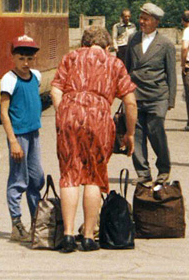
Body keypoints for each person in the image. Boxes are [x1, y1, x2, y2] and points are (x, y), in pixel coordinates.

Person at [51, 25, 137, 253]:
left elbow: (56, 90)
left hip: (69, 114)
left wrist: (65, 114)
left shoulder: (71, 57)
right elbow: (130, 102)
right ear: (107, 46)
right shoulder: (114, 63)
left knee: (69, 175)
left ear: (83, 44)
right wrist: (130, 133)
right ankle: (89, 237)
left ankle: (68, 235)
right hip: (99, 118)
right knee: (94, 177)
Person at [0, 35, 46, 242]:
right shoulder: (9, 79)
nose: (25, 63)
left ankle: (37, 221)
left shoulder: (36, 76)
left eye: (29, 59)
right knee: (18, 179)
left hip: (34, 133)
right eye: (21, 59)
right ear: (13, 57)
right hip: (19, 135)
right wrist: (13, 141)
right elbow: (3, 112)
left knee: (37, 178)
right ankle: (16, 223)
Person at [124, 1, 176, 184]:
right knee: (136, 134)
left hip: (157, 95)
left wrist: (170, 100)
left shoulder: (166, 44)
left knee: (156, 131)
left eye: (145, 19)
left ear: (155, 21)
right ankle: (143, 172)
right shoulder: (133, 39)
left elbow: (171, 74)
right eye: (141, 18)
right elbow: (127, 67)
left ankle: (163, 170)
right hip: (136, 95)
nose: (142, 22)